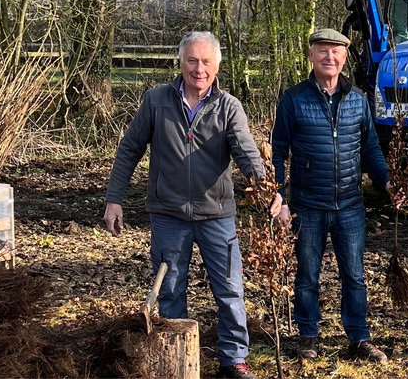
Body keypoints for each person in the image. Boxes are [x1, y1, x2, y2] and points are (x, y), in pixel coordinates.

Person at [103, 31, 281, 379]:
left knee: (230, 290)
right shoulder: (156, 101)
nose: (199, 69)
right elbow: (129, 150)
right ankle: (176, 359)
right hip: (168, 215)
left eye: (206, 62)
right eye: (192, 61)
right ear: (180, 62)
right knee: (169, 290)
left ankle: (233, 360)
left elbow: (245, 151)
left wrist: (266, 187)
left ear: (217, 66)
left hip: (217, 215)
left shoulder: (228, 106)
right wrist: (114, 199)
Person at [271, 28, 403, 364]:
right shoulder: (294, 99)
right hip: (307, 205)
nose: (330, 58)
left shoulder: (358, 100)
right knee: (307, 276)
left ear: (345, 58)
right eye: (323, 51)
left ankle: (359, 338)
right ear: (311, 56)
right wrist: (280, 197)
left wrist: (386, 180)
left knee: (354, 276)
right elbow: (278, 152)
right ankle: (308, 336)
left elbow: (371, 147)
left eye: (337, 52)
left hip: (349, 206)